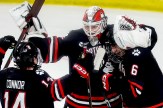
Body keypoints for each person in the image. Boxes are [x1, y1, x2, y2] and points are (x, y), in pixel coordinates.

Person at [11, 5, 158, 107]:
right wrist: (33, 36)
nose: (90, 31)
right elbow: (49, 49)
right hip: (76, 103)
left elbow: (148, 37)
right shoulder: (76, 37)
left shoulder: (116, 34)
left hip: (111, 102)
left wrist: (140, 32)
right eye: (86, 26)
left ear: (103, 23)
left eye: (94, 26)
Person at [102, 16, 163, 107]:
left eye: (114, 45)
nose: (113, 50)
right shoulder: (130, 52)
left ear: (124, 40)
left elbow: (133, 95)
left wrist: (113, 80)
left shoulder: (135, 56)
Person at [0, 36, 54, 108]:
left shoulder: (5, 74)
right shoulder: (40, 77)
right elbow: (57, 91)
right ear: (31, 59)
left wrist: (2, 47)